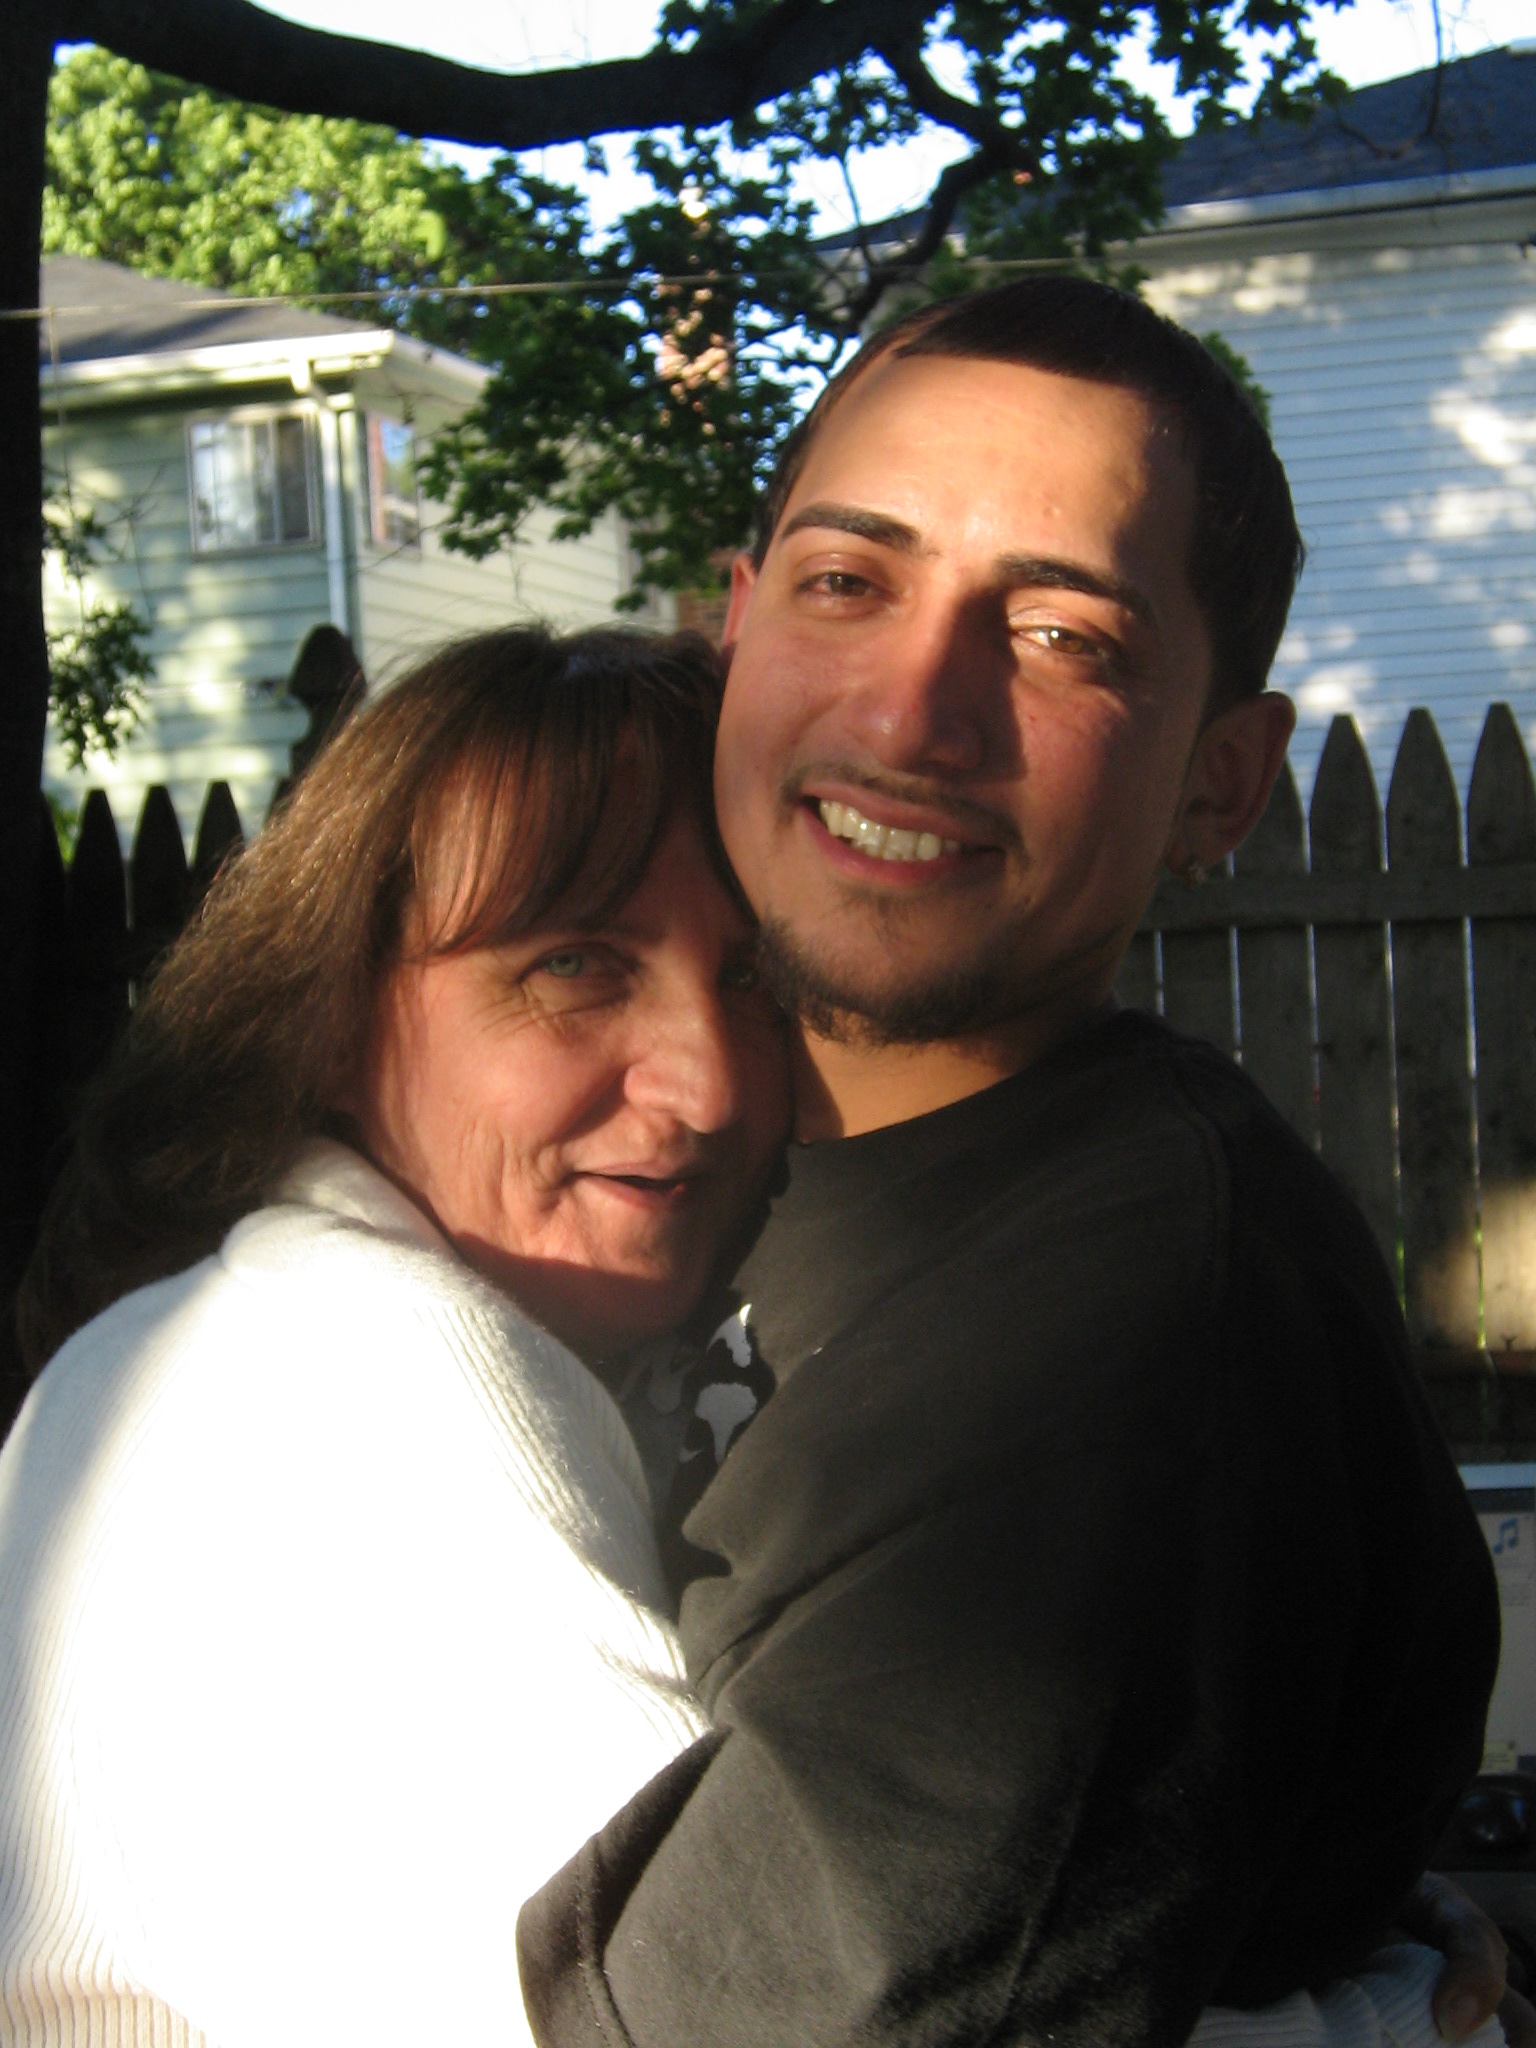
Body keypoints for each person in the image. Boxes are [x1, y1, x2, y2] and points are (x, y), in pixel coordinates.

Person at [516, 277, 1506, 2048]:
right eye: (848, 581)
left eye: (1064, 638)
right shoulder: (648, 1129)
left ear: (1220, 785)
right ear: (735, 630)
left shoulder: (1142, 1341)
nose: (916, 715)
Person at [1, 625, 791, 2047]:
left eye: (756, 978)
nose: (712, 1082)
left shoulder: (206, 1332)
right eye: (576, 965)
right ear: (333, 1016)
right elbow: (763, 2008)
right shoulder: (365, 1375)